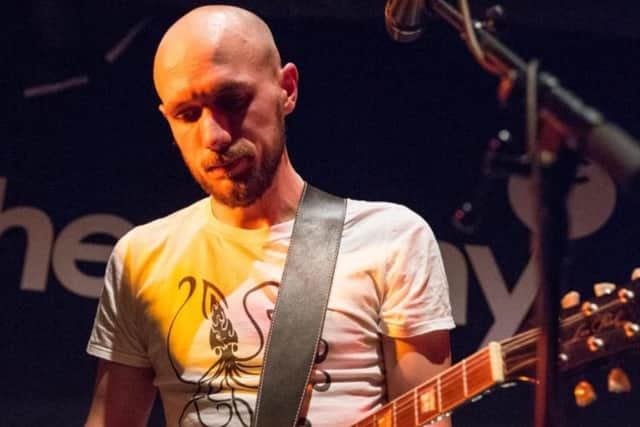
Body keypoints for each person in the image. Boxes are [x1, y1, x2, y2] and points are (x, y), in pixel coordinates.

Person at [85, 5, 455, 427]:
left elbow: (428, 418)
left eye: (232, 101)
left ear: (288, 89)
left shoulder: (391, 239)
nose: (215, 136)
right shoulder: (140, 256)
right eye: (187, 115)